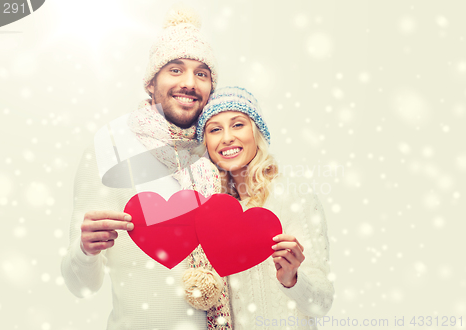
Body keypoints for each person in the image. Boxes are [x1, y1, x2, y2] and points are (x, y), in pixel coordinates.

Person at [61, 6, 232, 330]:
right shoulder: (110, 147)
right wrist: (85, 251)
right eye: (175, 69)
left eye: (201, 73)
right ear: (151, 83)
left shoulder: (220, 152)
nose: (189, 83)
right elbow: (80, 286)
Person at [195, 86, 335, 329]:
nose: (227, 137)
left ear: (256, 132)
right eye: (215, 129)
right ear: (206, 143)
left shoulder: (293, 196)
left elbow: (321, 304)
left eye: (237, 124)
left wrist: (292, 280)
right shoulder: (208, 213)